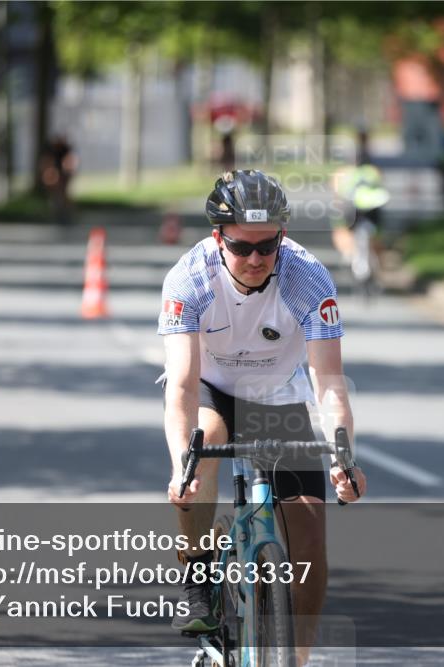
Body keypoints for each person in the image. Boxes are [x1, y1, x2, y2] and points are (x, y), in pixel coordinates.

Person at [158, 170, 368, 665]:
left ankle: (295, 659)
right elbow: (183, 385)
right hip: (212, 388)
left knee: (310, 540)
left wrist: (343, 456)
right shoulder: (189, 279)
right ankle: (198, 579)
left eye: (267, 246)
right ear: (218, 238)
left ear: (283, 236)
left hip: (276, 395)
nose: (255, 259)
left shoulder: (307, 278)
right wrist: (180, 467)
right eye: (240, 247)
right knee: (203, 440)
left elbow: (330, 382)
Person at [39, 134, 78, 224]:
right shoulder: (50, 149)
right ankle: (56, 210)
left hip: (64, 173)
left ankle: (68, 211)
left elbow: (70, 161)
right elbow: (46, 162)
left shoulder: (65, 149)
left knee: (64, 193)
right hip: (54, 172)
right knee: (55, 192)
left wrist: (68, 172)